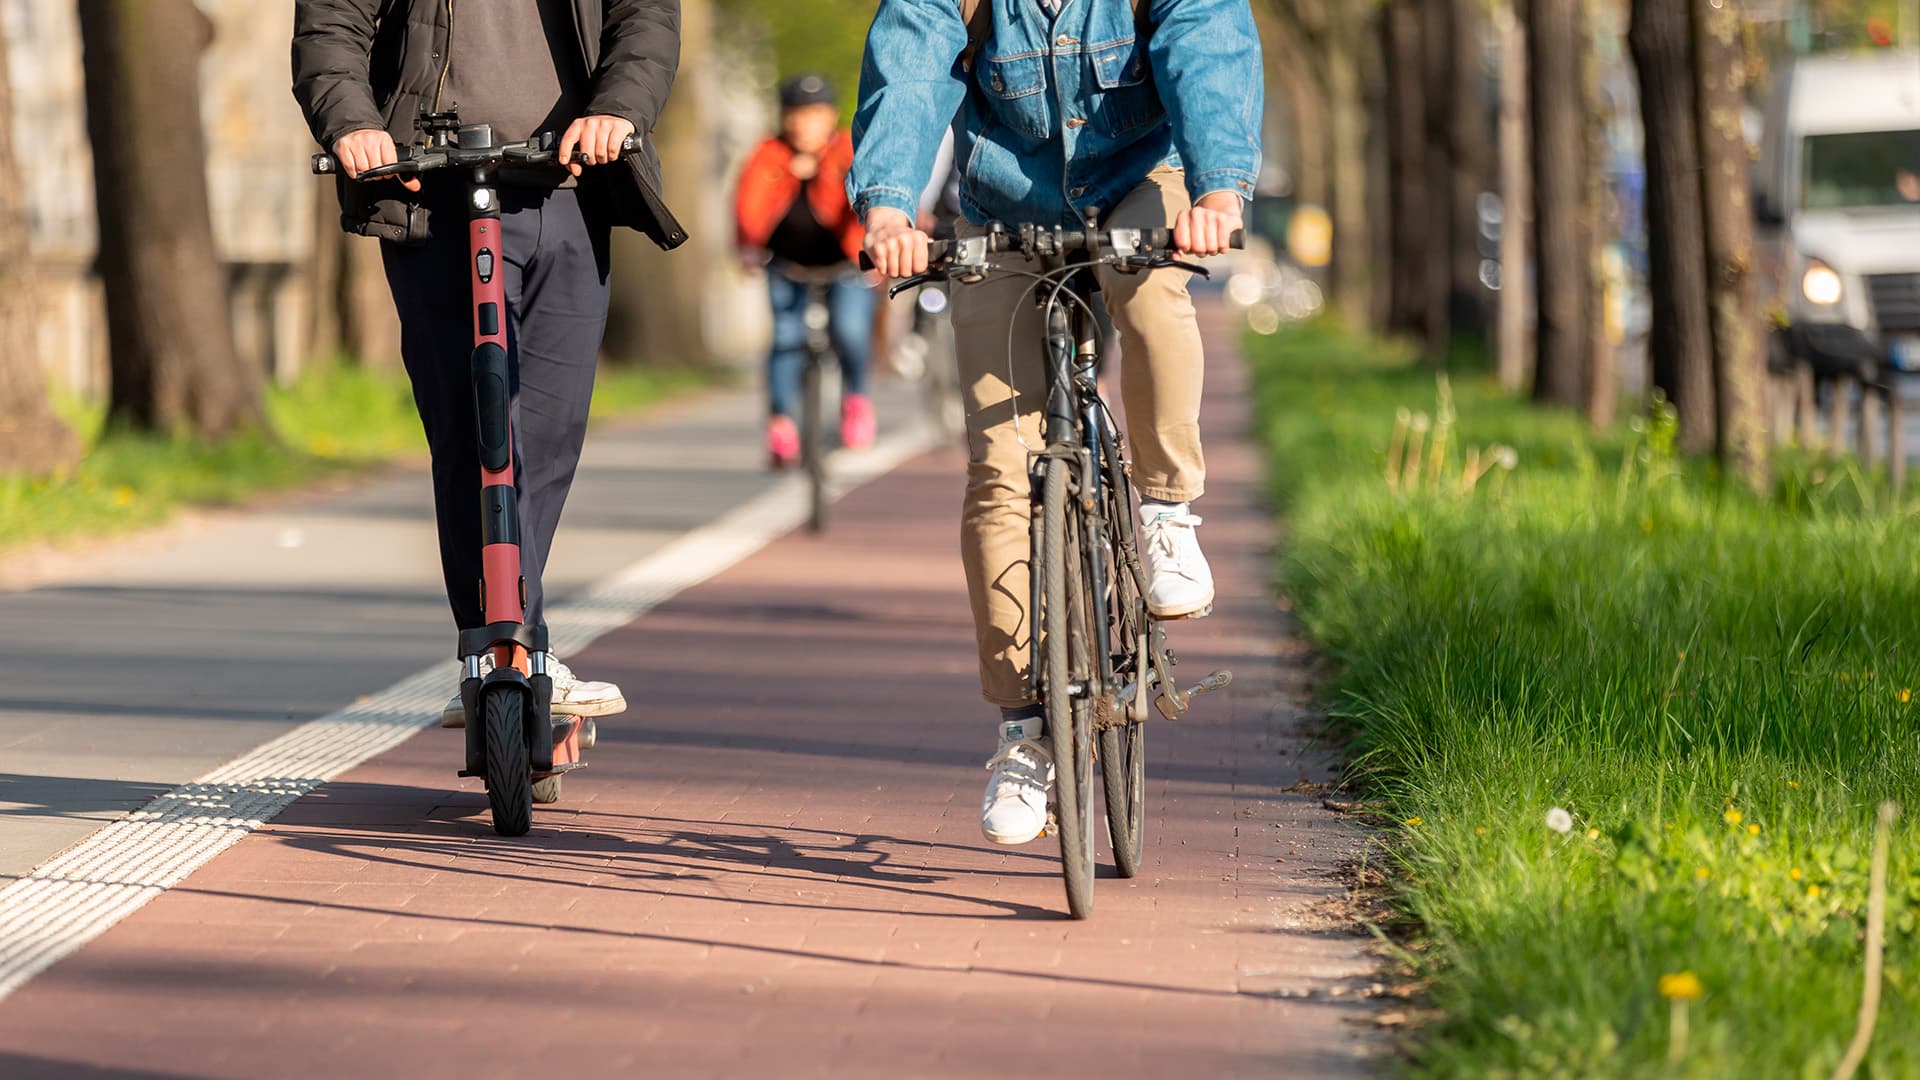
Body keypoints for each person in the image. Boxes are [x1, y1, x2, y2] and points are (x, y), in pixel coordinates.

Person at [849, 0, 1261, 845]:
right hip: (1003, 211)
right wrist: (889, 207)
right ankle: (1023, 731)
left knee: (1151, 299)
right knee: (1002, 467)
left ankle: (1164, 511)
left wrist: (1220, 187)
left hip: (1142, 185)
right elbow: (912, 66)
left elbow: (1207, 46)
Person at [291, 0, 685, 727]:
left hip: (569, 183)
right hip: (433, 186)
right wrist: (353, 122)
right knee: (472, 427)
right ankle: (506, 647)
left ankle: (508, 644)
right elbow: (332, 24)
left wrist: (619, 110)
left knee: (550, 427)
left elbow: (644, 18)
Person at [734, 75, 878, 468]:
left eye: (814, 115)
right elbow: (749, 203)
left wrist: (875, 249)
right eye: (796, 115)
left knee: (850, 330)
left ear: (830, 117)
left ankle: (856, 400)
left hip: (844, 265)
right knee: (785, 337)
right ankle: (781, 423)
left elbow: (865, 199)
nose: (805, 124)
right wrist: (747, 248)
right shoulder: (769, 154)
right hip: (788, 266)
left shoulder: (846, 149)